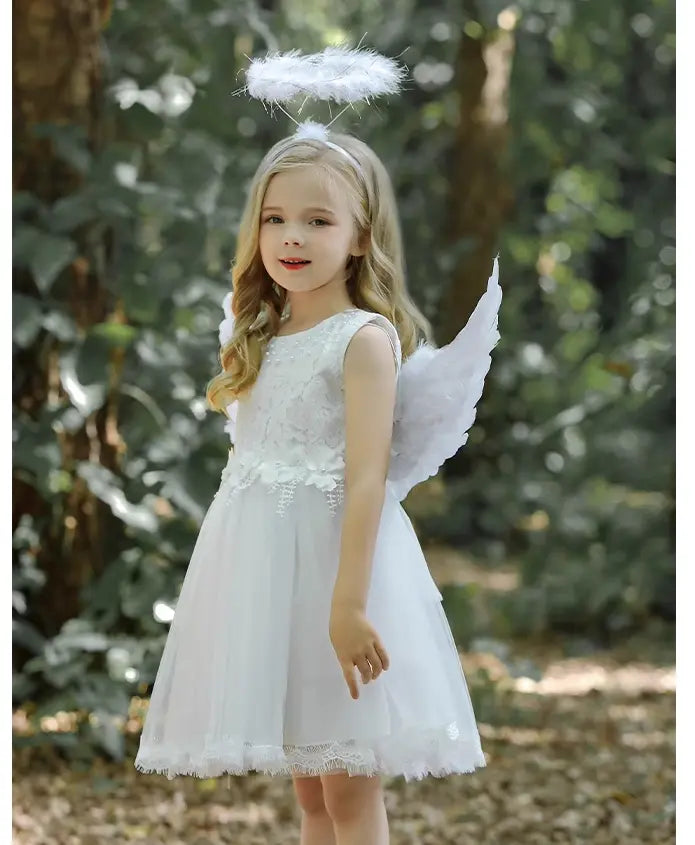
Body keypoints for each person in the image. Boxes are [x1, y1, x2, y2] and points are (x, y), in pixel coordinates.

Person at [135, 114, 498, 845]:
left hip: (341, 572)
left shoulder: (362, 340)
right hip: (267, 575)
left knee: (348, 788)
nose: (291, 237)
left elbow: (367, 480)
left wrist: (348, 604)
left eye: (317, 219)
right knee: (310, 791)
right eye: (275, 219)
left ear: (360, 236)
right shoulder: (262, 337)